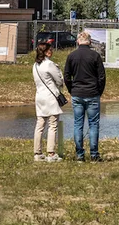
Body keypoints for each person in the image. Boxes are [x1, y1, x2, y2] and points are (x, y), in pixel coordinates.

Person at [64, 31, 106, 161]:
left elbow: (66, 76)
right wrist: (99, 91)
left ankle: (80, 155)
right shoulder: (95, 56)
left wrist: (72, 90)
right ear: (90, 41)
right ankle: (94, 154)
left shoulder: (71, 56)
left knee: (78, 124)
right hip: (92, 93)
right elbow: (102, 77)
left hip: (77, 93)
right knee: (93, 124)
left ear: (78, 41)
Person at [32, 43, 65, 162]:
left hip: (39, 96)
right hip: (50, 97)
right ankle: (51, 153)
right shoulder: (49, 64)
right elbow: (59, 80)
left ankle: (37, 153)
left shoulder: (35, 65)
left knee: (40, 125)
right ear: (46, 52)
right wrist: (59, 71)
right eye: (50, 49)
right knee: (53, 124)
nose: (52, 51)